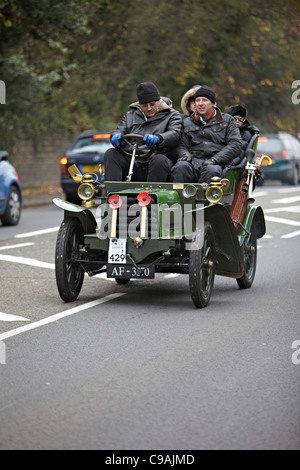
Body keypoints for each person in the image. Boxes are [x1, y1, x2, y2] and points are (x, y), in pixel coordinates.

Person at [104, 82, 182, 182]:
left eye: (152, 104)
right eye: (145, 105)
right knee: (111, 153)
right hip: (132, 160)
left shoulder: (172, 115)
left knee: (160, 160)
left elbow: (175, 134)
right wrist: (114, 136)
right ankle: (113, 193)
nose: (149, 108)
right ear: (140, 105)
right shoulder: (130, 116)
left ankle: (152, 195)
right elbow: (119, 130)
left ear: (159, 101)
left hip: (156, 160)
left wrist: (159, 138)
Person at [171, 85, 242, 184]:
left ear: (213, 103)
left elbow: (235, 145)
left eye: (204, 100)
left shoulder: (228, 120)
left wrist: (215, 159)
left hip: (216, 164)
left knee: (212, 171)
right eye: (197, 100)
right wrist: (184, 154)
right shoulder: (186, 122)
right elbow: (180, 144)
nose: (200, 104)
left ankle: (206, 199)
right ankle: (180, 199)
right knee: (180, 167)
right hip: (192, 162)